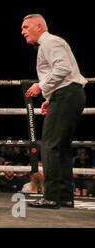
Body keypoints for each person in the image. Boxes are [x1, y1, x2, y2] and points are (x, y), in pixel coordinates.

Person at [22, 14, 87, 209]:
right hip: (69, 95)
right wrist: (50, 99)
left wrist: (41, 86)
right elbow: (64, 73)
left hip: (67, 94)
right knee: (62, 148)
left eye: (26, 27)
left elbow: (62, 68)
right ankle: (65, 196)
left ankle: (51, 196)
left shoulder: (49, 42)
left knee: (50, 145)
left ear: (39, 26)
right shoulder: (52, 43)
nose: (23, 31)